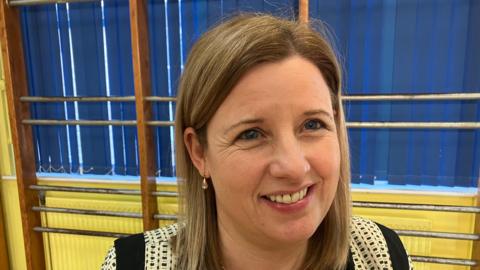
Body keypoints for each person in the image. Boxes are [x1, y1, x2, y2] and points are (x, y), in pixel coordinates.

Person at [101, 13, 413, 270]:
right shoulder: (135, 265)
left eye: (313, 124)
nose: (293, 166)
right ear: (199, 152)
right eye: (251, 134)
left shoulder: (381, 255)